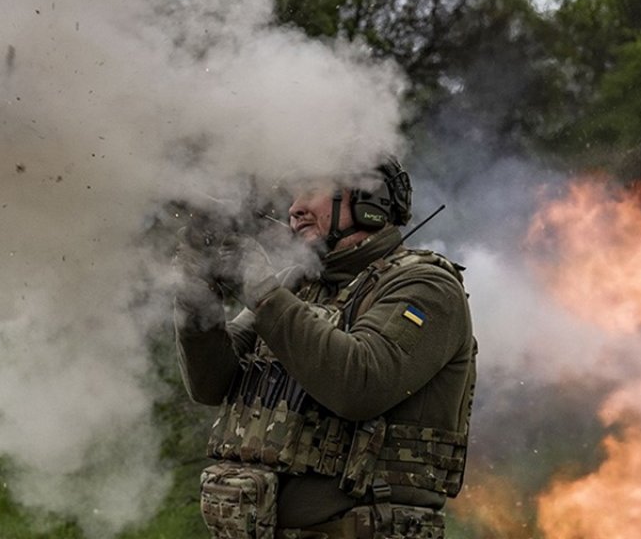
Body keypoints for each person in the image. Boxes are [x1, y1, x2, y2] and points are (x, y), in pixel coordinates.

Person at [174, 159, 476, 539]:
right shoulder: (298, 285)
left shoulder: (427, 286)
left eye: (310, 190)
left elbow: (360, 385)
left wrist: (261, 290)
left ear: (369, 197)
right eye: (293, 195)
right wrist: (195, 293)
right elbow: (211, 384)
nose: (294, 208)